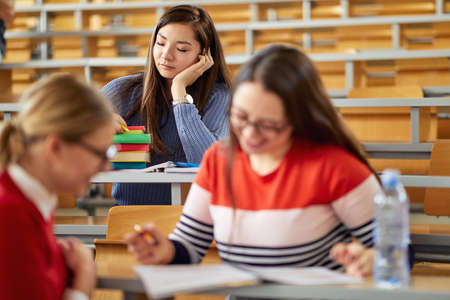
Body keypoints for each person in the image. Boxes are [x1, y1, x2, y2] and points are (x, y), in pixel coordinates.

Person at [124, 44, 384, 277]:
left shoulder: (336, 166)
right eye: (240, 117)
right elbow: (189, 248)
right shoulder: (219, 161)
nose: (249, 133)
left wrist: (371, 259)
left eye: (268, 124)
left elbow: (397, 252)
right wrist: (164, 251)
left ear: (301, 119)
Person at [0, 74, 116, 299]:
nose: (106, 168)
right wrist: (83, 280)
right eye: (99, 154)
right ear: (55, 147)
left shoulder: (35, 201)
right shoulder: (10, 215)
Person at [102, 4, 231, 205]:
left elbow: (207, 165)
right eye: (160, 43)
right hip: (129, 219)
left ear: (204, 55)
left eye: (181, 49)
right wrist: (93, 126)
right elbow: (64, 130)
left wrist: (179, 93)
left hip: (190, 222)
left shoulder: (219, 96)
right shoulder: (124, 90)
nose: (166, 55)